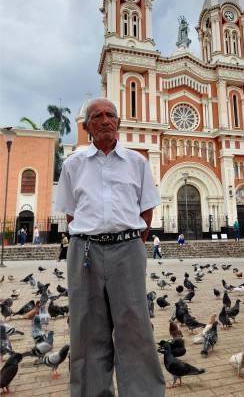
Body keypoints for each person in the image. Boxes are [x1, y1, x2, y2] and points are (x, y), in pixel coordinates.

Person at [55, 98, 165, 397]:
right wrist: (91, 237)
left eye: (110, 115)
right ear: (87, 126)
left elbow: (146, 209)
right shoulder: (73, 164)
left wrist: (131, 244)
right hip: (85, 251)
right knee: (87, 329)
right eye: (97, 116)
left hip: (128, 249)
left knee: (135, 327)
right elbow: (69, 212)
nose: (104, 120)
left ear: (119, 122)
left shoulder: (137, 162)